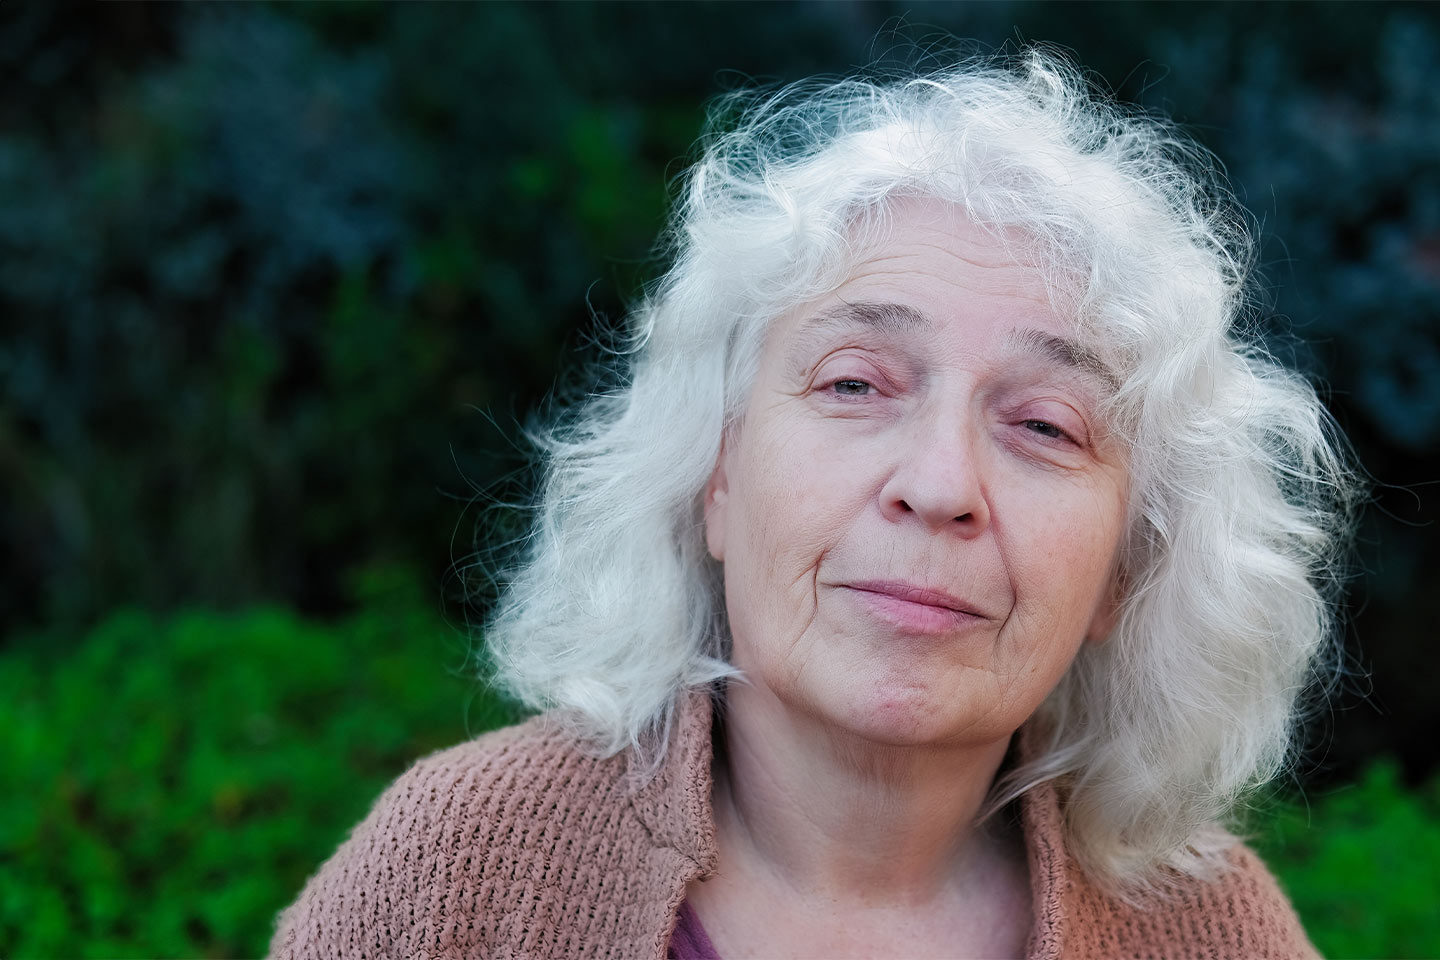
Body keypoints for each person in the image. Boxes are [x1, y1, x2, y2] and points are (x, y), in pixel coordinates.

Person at [269, 50, 1356, 959]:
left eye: (1044, 427)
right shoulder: (456, 875)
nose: (938, 487)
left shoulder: (1217, 934)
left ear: (1127, 566)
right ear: (718, 478)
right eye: (854, 384)